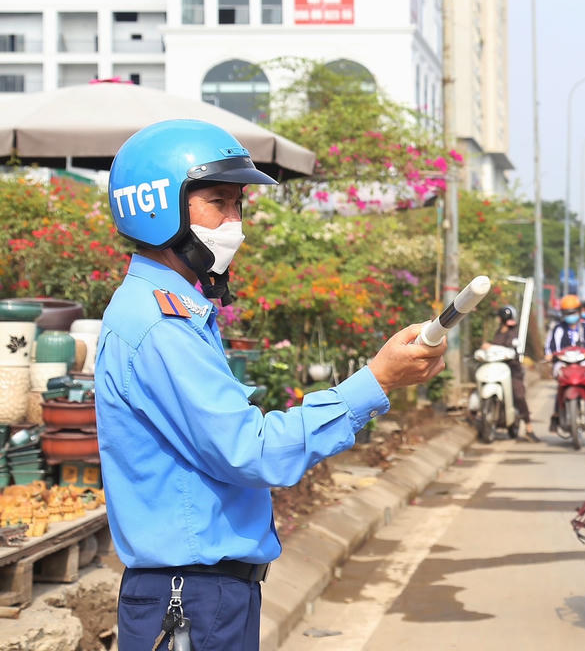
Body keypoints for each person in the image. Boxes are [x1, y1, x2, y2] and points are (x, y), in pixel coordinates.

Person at [95, 120, 447, 650]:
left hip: (205, 597)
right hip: (190, 600)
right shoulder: (159, 325)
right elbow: (250, 451)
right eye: (218, 203)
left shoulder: (173, 312)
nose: (234, 224)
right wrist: (376, 380)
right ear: (156, 206)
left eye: (239, 205)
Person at [545, 294, 585, 424]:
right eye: (567, 313)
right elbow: (550, 347)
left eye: (573, 312)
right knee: (560, 381)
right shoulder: (558, 329)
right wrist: (550, 355)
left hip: (583, 362)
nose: (570, 316)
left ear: (579, 311)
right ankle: (557, 412)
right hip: (563, 363)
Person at [483, 305, 538, 442]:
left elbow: (512, 346)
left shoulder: (515, 332)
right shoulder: (498, 332)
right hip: (497, 368)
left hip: (512, 369)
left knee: (519, 395)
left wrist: (492, 347)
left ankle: (529, 428)